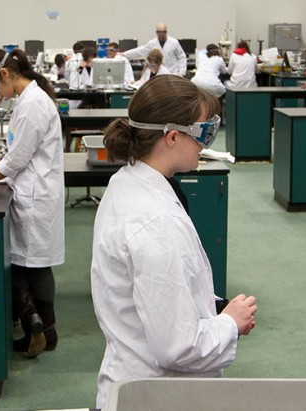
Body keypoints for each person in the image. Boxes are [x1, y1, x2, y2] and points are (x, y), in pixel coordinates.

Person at [91, 74, 257, 409]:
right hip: (160, 395)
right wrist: (230, 323)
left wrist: (209, 304)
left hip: (135, 378)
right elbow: (178, 347)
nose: (205, 145)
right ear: (171, 137)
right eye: (203, 133)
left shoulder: (128, 181)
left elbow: (158, 290)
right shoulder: (157, 224)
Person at [0, 48, 65, 359]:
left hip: (35, 193)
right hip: (34, 189)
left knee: (25, 264)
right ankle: (42, 328)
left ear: (4, 75)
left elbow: (15, 160)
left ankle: (36, 326)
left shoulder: (32, 105)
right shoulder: (30, 99)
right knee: (34, 262)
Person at [123, 23, 188, 76]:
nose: (161, 34)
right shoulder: (152, 43)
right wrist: (124, 54)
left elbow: (182, 57)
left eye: (163, 32)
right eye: (158, 32)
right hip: (159, 74)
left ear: (166, 32)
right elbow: (140, 51)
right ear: (156, 32)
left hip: (172, 73)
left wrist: (181, 73)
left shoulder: (174, 42)